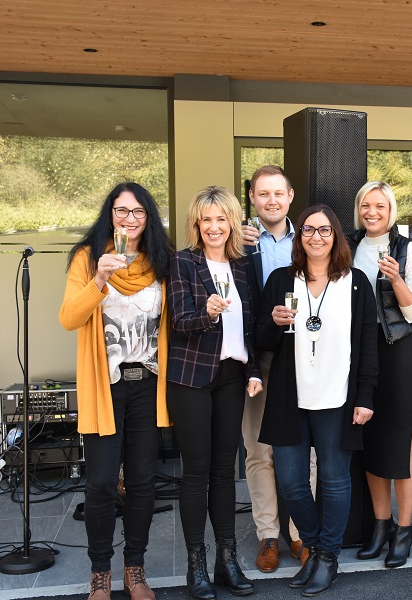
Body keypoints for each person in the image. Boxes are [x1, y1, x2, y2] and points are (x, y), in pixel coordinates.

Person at [59, 182, 173, 600]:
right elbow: (69, 318)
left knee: (143, 482)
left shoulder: (161, 260)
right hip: (105, 386)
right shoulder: (88, 258)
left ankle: (135, 570)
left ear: (149, 218)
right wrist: (101, 278)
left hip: (148, 385)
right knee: (102, 484)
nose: (130, 219)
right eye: (122, 211)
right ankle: (100, 574)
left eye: (139, 212)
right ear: (110, 214)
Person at [257, 204, 378, 596]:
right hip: (290, 398)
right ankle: (318, 546)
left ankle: (326, 558)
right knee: (291, 483)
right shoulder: (280, 280)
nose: (316, 237)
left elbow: (367, 347)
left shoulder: (356, 283)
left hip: (337, 398)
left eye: (324, 231)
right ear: (300, 236)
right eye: (308, 230)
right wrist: (273, 324)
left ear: (336, 236)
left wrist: (365, 396)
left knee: (333, 480)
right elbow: (261, 338)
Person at [166, 186, 262, 599]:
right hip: (190, 378)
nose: (214, 227)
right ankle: (196, 565)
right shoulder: (183, 263)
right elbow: (179, 322)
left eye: (221, 218)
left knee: (226, 471)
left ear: (232, 223)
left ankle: (227, 559)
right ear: (197, 224)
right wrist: (205, 315)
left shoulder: (244, 266)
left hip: (231, 376)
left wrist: (255, 369)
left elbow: (252, 324)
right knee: (196, 471)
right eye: (206, 220)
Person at [346, 181, 412, 568]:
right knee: (370, 439)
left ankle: (405, 527)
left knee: (400, 439)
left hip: (397, 352)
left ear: (391, 210)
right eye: (366, 205)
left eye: (380, 205)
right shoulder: (347, 246)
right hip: (358, 354)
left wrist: (396, 279)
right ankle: (381, 524)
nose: (372, 211)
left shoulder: (407, 249)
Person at [239, 165, 309, 572]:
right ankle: (268, 535)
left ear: (290, 196)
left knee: (306, 450)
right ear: (252, 197)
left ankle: (301, 533)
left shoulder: (311, 237)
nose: (271, 200)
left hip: (305, 354)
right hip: (260, 355)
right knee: (258, 450)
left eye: (278, 193)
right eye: (263, 194)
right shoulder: (240, 241)